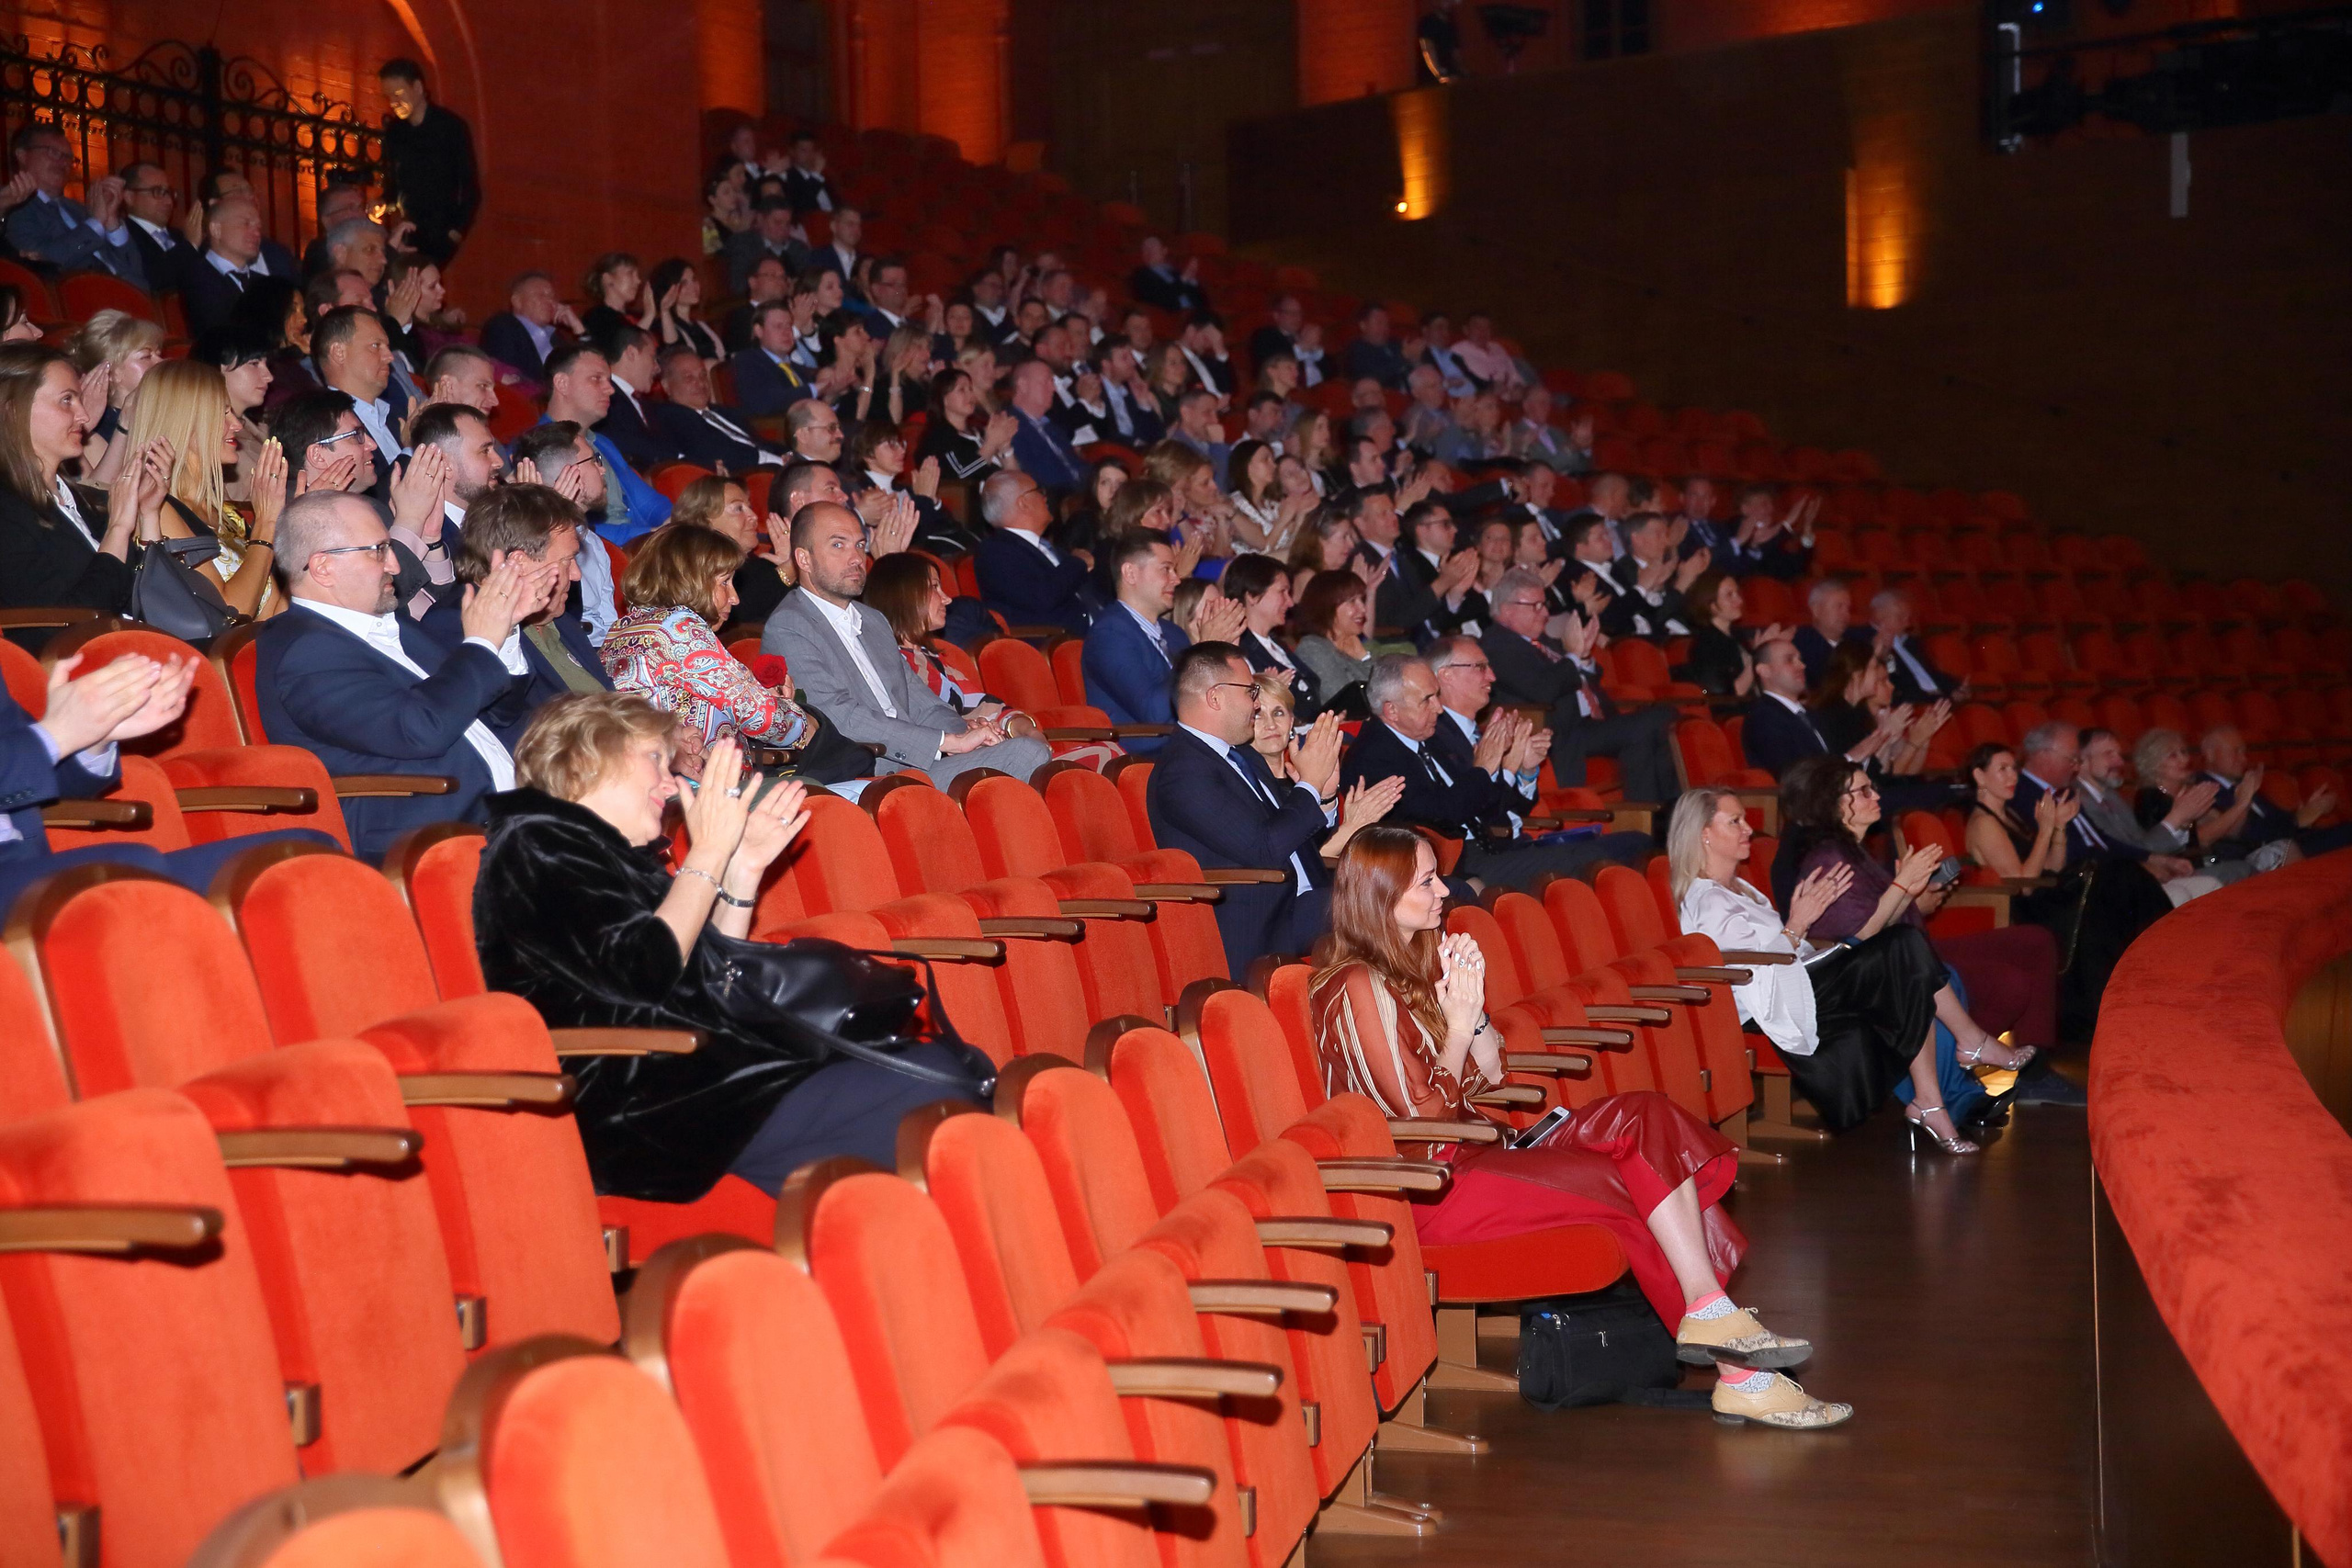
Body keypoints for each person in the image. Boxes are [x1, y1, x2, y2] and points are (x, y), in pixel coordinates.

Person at [1316, 824, 1851, 1429]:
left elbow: (1492, 1076)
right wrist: (1460, 1024)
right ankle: (1742, 1370)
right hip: (1432, 1185)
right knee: (1628, 1181)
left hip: (1478, 1149)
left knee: (1646, 1117)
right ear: (1382, 894)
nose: (1444, 890)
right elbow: (1421, 1122)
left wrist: (1473, 1009)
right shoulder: (1356, 984)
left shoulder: (1417, 961)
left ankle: (1710, 1311)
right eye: (1427, 880)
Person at [475, 702, 985, 1200]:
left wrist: (740, 871)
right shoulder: (537, 846)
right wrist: (709, 856)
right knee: (932, 1095)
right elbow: (644, 973)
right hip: (647, 1105)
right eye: (653, 758)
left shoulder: (598, 850)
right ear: (586, 761)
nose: (670, 782)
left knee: (941, 1068)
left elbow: (711, 970)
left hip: (707, 1077)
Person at [1673, 787, 1977, 1152]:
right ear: (1704, 833)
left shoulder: (1741, 889)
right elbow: (1746, 971)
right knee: (1903, 951)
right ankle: (1964, 1055)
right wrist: (1797, 925)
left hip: (1796, 979)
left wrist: (1815, 943)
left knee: (1906, 958)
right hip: (1769, 1004)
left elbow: (1785, 952)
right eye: (1734, 821)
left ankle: (1933, 1098)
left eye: (1745, 819)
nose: (1749, 829)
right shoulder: (1709, 900)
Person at [254, 488, 544, 860]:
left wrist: (502, 633)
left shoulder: (392, 625)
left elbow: (498, 712)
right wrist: (482, 643)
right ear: (324, 567)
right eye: (378, 551)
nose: (394, 564)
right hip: (434, 827)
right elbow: (417, 731)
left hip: (505, 807)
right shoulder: (305, 651)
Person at [1774, 756, 2068, 1116]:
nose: (1876, 795)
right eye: (1863, 791)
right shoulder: (1831, 858)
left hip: (1914, 942)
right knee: (1999, 981)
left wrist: (1916, 895)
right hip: (1879, 966)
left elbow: (1890, 918)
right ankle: (1955, 1085)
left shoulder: (1855, 850)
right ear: (1836, 804)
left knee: (2034, 940)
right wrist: (1903, 887)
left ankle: (2028, 1070)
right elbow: (1861, 940)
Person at [764, 501, 1048, 787]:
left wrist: (968, 735)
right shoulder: (790, 625)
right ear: (804, 559)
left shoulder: (873, 620)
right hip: (868, 770)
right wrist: (946, 741)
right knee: (1028, 754)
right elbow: (839, 715)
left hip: (918, 761)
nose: (856, 558)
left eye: (860, 545)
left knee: (1033, 756)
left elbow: (922, 702)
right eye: (838, 545)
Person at [1343, 654, 1648, 890]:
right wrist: (1484, 768)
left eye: (1437, 695)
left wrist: (1522, 769)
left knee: (1634, 841)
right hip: (1453, 865)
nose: (1438, 708)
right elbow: (1441, 814)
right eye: (1427, 699)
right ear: (1392, 710)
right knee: (1605, 857)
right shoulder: (1374, 758)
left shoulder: (1427, 739)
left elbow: (1490, 807)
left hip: (1494, 847)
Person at [1147, 642, 1349, 972]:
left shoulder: (1242, 756)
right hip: (1263, 920)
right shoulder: (1184, 771)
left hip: (1303, 900)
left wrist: (1322, 796)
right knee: (1388, 899)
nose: (1256, 705)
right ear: (1215, 697)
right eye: (1251, 692)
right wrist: (1308, 785)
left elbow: (1289, 840)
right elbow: (1265, 849)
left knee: (1405, 879)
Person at [1963, 742, 2173, 1039]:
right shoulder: (1984, 823)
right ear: (1980, 777)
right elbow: (2022, 884)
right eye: (2002, 769)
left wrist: (2058, 828)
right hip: (2023, 907)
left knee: (2124, 883)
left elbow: (2050, 864)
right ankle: (2158, 966)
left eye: (2013, 768)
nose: (2012, 776)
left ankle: (2152, 974)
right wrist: (2045, 831)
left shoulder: (2009, 815)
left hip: (2042, 894)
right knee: (2120, 878)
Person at [865, 551, 1116, 771]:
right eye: (934, 587)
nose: (947, 598)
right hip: (942, 766)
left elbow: (987, 706)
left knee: (1108, 754)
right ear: (905, 593)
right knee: (1098, 758)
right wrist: (969, 728)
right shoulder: (886, 663)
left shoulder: (936, 660)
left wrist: (1025, 729)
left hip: (982, 756)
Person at [601, 523, 811, 778]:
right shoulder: (677, 628)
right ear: (691, 581)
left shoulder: (621, 628)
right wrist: (803, 722)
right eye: (725, 582)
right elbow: (765, 718)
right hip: (690, 791)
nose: (735, 598)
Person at [416, 480, 611, 744]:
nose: (576, 575)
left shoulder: (558, 617)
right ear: (519, 563)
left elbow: (609, 702)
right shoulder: (455, 627)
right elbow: (511, 730)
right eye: (567, 561)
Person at [1481, 568, 1679, 803]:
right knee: (1658, 718)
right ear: (1506, 609)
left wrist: (1583, 657)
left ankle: (1653, 817)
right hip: (1560, 732)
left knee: (1643, 738)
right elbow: (1543, 690)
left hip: (1585, 725)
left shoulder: (1542, 641)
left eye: (1544, 605)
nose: (1544, 613)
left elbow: (1578, 677)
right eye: (1535, 606)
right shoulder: (1497, 645)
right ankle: (1674, 813)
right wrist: (1574, 656)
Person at [119, 358, 286, 618]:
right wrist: (266, 521)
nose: (237, 425)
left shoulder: (222, 510)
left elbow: (273, 612)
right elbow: (230, 612)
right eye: (222, 413)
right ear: (186, 422)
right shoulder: (158, 511)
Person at [0, 344, 147, 639]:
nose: (83, 415)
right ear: (13, 410)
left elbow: (136, 591)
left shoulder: (75, 499)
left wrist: (150, 516)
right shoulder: (6, 512)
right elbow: (64, 624)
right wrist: (119, 529)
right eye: (67, 400)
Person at [1082, 531, 1238, 750]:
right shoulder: (1109, 635)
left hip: (1192, 744)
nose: (1176, 579)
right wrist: (1202, 652)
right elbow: (1154, 713)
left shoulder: (1173, 632)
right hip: (1149, 753)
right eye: (1166, 569)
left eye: (1174, 570)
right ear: (1130, 573)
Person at [2075, 728, 2228, 898]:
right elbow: (2121, 852)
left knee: (2209, 885)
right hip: (2111, 885)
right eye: (2109, 754)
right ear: (2082, 761)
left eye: (2119, 755)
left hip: (2141, 873)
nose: (2119, 762)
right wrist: (2177, 817)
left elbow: (2139, 843)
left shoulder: (2111, 796)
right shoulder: (2080, 801)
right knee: (2180, 894)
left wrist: (2180, 825)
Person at [542, 343, 672, 541]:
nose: (610, 390)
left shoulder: (602, 442)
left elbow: (649, 503)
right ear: (562, 384)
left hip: (640, 546)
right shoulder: (538, 449)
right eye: (596, 379)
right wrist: (652, 535)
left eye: (609, 380)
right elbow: (571, 530)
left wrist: (682, 522)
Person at [4, 125, 142, 285]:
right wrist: (96, 223)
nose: (63, 163)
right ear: (22, 155)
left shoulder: (78, 209)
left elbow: (135, 268)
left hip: (127, 296)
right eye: (53, 153)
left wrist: (112, 223)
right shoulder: (12, 208)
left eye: (69, 158)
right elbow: (40, 262)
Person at [378, 58, 480, 265]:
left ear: (417, 87)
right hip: (410, 227)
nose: (393, 103)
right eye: (388, 97)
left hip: (441, 229)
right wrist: (384, 202)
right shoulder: (395, 133)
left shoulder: (450, 128)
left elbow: (468, 184)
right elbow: (393, 181)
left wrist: (456, 230)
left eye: (398, 94)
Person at [2198, 725, 2352, 858]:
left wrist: (2310, 811)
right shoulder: (2202, 788)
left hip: (2292, 839)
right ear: (2211, 754)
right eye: (2236, 752)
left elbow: (2277, 817)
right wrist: (2301, 818)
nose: (2243, 758)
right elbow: (2242, 835)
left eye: (2244, 752)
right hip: (2264, 853)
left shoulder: (2244, 782)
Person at [972, 468, 1092, 636]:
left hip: (1096, 626)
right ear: (1024, 502)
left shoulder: (1043, 545)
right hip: (1057, 640)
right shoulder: (995, 552)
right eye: (1039, 491)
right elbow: (1043, 596)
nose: (1045, 497)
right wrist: (1077, 562)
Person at [2131, 728, 2256, 880]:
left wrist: (2244, 801)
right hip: (2174, 874)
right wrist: (2240, 805)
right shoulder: (2150, 797)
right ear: (2153, 764)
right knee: (2243, 869)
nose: (2185, 760)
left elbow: (2231, 832)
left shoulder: (2187, 792)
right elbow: (2200, 839)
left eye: (2184, 752)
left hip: (2206, 862)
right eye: (2173, 756)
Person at [672, 474, 791, 624]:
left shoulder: (763, 563)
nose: (753, 516)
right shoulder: (693, 570)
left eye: (750, 507)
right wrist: (791, 567)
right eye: (738, 508)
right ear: (704, 520)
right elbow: (737, 616)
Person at [1221, 553, 1321, 718]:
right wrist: (1267, 693)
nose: (1290, 602)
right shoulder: (1237, 649)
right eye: (1282, 592)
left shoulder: (1278, 644)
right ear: (1252, 595)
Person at [1678, 571, 1780, 697]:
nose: (1739, 600)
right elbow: (1726, 695)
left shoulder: (1737, 636)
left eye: (1737, 593)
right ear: (1712, 605)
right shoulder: (1706, 644)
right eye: (1729, 595)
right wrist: (1757, 656)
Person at [915, 367, 1017, 485]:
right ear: (944, 399)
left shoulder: (979, 431)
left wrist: (1005, 447)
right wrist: (991, 444)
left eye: (970, 389)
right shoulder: (940, 437)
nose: (970, 395)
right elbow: (961, 476)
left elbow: (1015, 481)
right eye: (962, 390)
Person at [1291, 568, 1376, 707]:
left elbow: (1382, 693)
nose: (1363, 609)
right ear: (1327, 606)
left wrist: (1364, 658)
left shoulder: (1352, 644)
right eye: (1352, 601)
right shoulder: (1313, 648)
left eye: (1362, 600)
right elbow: (1348, 703)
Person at [481, 272, 581, 386]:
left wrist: (578, 328)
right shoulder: (503, 326)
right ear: (517, 301)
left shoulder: (557, 338)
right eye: (541, 295)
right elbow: (509, 375)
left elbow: (588, 367)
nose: (550, 301)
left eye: (552, 296)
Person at [1128, 236, 1208, 314]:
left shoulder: (1177, 273)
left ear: (1164, 251)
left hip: (1195, 314)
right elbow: (1162, 298)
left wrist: (1192, 281)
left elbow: (1204, 301)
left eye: (1154, 248)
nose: (1149, 252)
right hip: (1171, 315)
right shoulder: (1142, 275)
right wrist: (1184, 279)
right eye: (1145, 249)